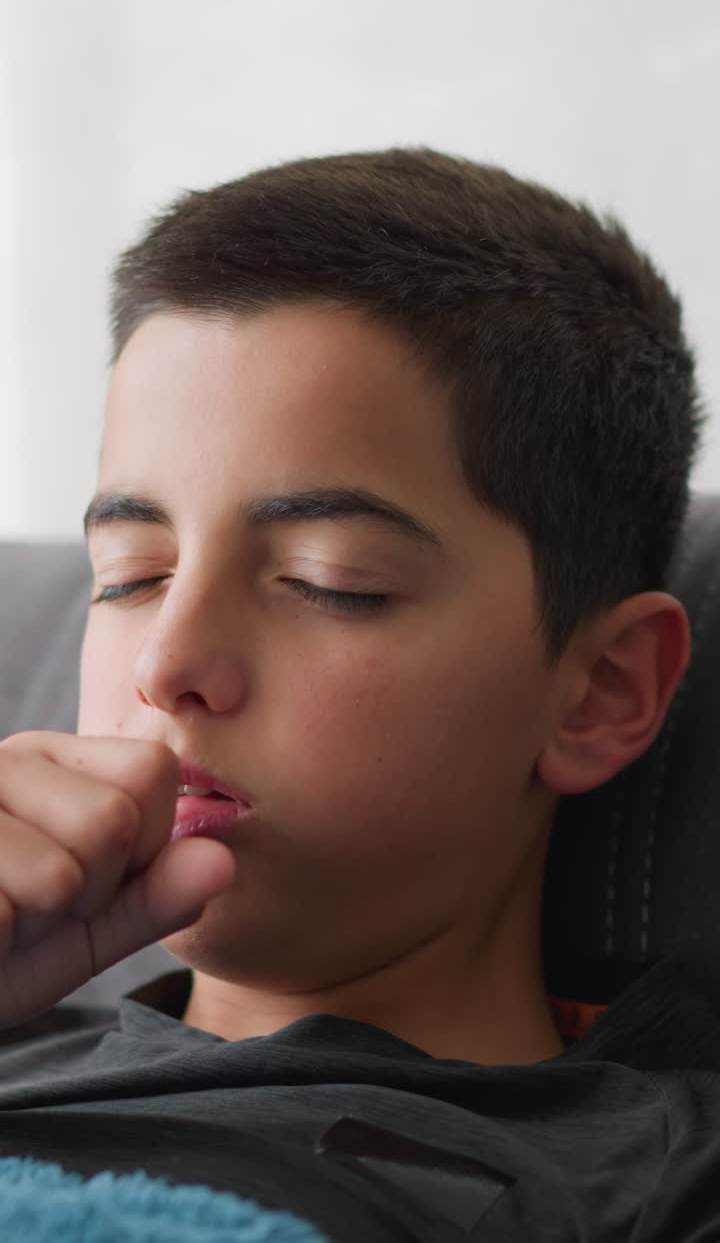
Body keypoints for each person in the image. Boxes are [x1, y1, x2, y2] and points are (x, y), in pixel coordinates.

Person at [0, 148, 716, 1241]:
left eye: (331, 582)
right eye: (132, 576)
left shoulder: (649, 1179)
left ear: (600, 692)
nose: (166, 663)